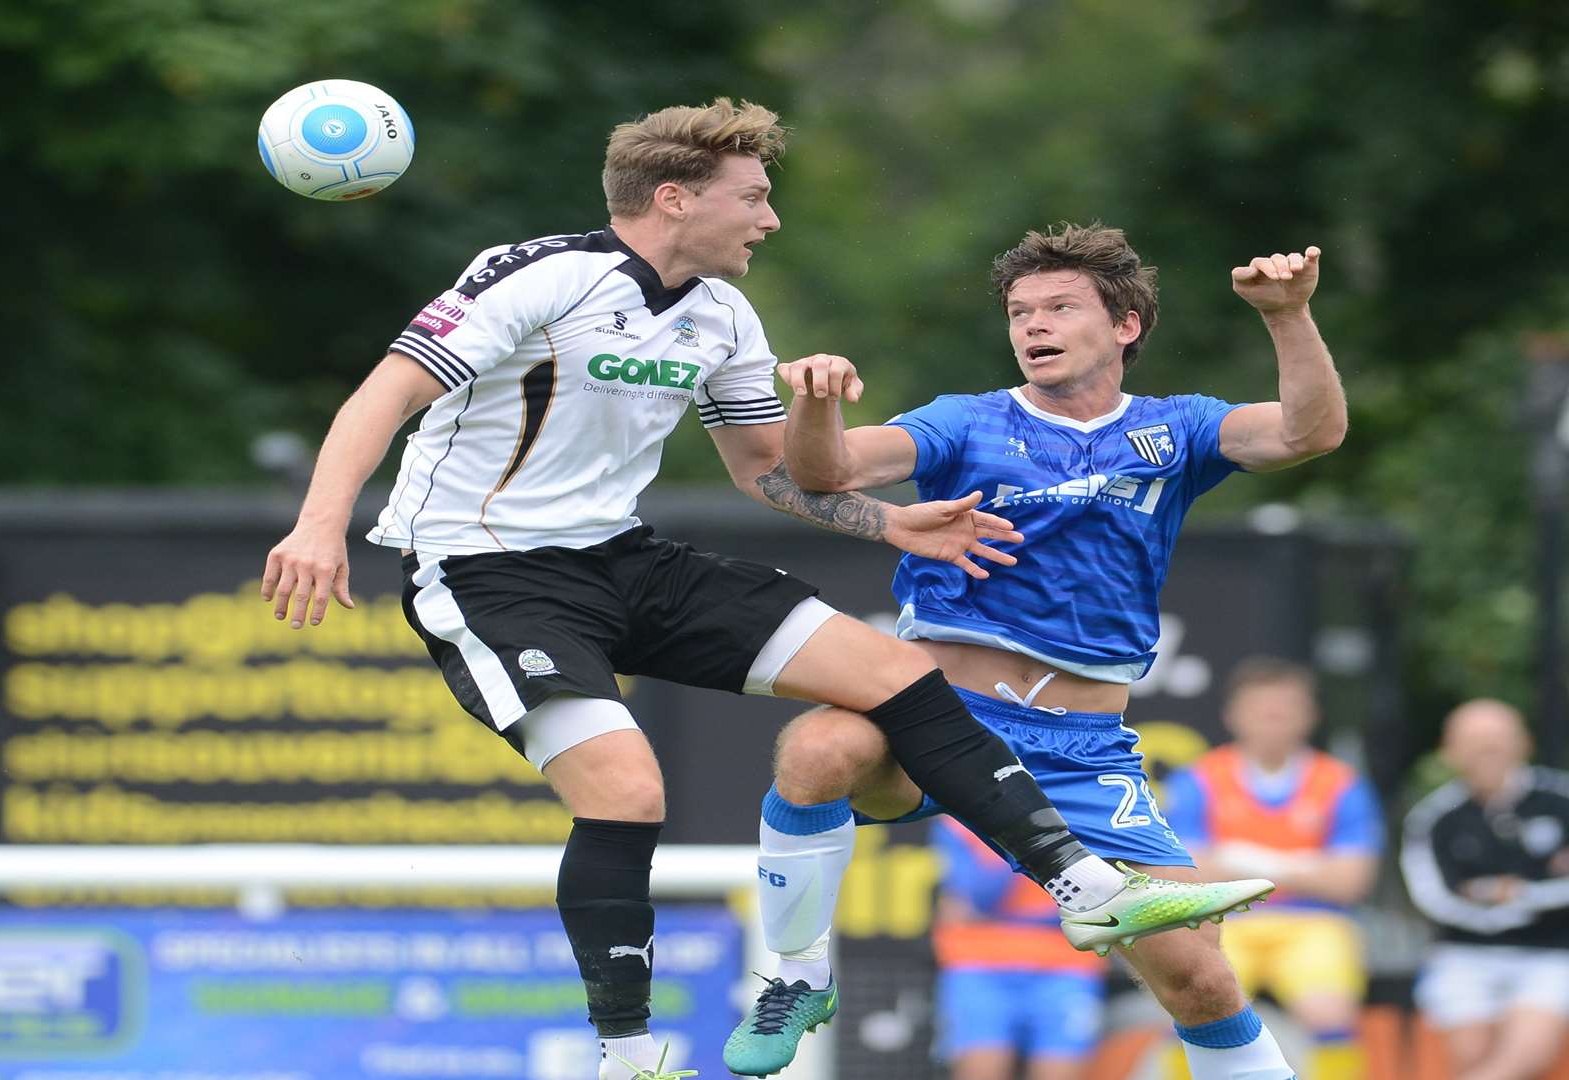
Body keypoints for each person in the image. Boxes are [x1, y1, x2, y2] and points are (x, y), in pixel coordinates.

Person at [258, 102, 1273, 1080]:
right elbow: (387, 390)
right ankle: (626, 1057)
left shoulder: (721, 314)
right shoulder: (539, 276)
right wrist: (317, 523)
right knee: (628, 792)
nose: (771, 219)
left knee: (886, 669)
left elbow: (762, 469)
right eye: (752, 197)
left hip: (620, 555)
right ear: (674, 198)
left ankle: (1084, 888)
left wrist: (890, 520)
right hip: (488, 572)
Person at [728, 221, 1345, 1080]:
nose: (1033, 325)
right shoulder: (964, 422)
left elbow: (1309, 434)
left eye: (1060, 306)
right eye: (1021, 310)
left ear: (1125, 326)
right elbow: (826, 473)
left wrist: (1288, 316)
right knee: (820, 745)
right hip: (943, 717)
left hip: (1084, 747)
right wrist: (817, 401)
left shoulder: (1180, 429)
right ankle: (797, 977)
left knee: (1199, 979)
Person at [1161, 657, 1383, 1080]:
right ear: (1234, 715)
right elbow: (1186, 874)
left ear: (1310, 716)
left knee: (1329, 1012)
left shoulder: (1340, 782)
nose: (1273, 720)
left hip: (1314, 922)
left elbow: (1351, 881)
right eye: (1262, 710)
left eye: (1285, 710)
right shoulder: (1199, 779)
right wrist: (1304, 868)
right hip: (1224, 919)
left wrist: (1243, 860)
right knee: (1193, 1002)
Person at [1401, 699, 1569, 1080]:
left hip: (1551, 953)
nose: (1486, 751)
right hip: (1463, 954)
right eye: (1474, 741)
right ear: (1449, 750)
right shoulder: (1434, 817)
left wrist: (1523, 898)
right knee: (1469, 1048)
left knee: (1530, 1049)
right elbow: (1433, 897)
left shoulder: (1561, 800)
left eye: (1496, 740)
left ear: (1523, 743)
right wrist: (1497, 912)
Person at [932, 817, 1108, 1080]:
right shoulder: (956, 820)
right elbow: (978, 895)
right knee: (982, 1067)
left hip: (1065, 966)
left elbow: (1096, 898)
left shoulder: (1082, 810)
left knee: (1061, 1069)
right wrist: (1019, 835)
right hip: (980, 965)